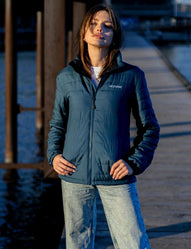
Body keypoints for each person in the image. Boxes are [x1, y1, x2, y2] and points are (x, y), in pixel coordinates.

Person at [47, 4, 160, 249]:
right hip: (73, 173)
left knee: (133, 242)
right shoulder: (67, 76)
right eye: (94, 24)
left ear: (114, 35)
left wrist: (133, 162)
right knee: (77, 242)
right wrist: (54, 155)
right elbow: (58, 123)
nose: (100, 29)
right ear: (84, 33)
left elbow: (150, 127)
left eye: (107, 26)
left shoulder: (131, 76)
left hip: (115, 174)